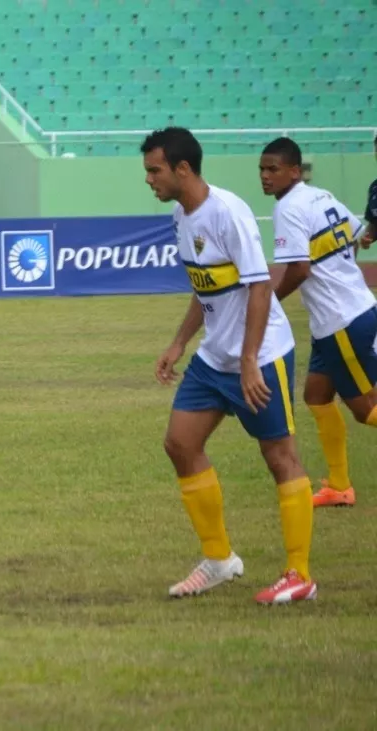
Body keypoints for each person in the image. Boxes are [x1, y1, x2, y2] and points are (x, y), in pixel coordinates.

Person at [143, 127, 316, 605]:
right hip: (213, 358)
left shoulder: (229, 213)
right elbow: (208, 287)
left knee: (280, 458)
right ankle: (219, 560)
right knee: (179, 444)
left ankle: (300, 574)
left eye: (154, 170)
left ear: (183, 169)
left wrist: (248, 362)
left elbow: (259, 287)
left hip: (260, 357)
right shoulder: (182, 214)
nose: (149, 179)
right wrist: (179, 343)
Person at [262, 136, 377, 509]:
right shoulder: (322, 196)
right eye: (262, 169)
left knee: (366, 411)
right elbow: (362, 236)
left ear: (294, 171)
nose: (265, 176)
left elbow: (298, 269)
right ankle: (340, 486)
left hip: (341, 320)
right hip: (344, 315)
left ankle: (341, 485)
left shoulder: (289, 209)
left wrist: (268, 303)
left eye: (273, 169)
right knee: (317, 395)